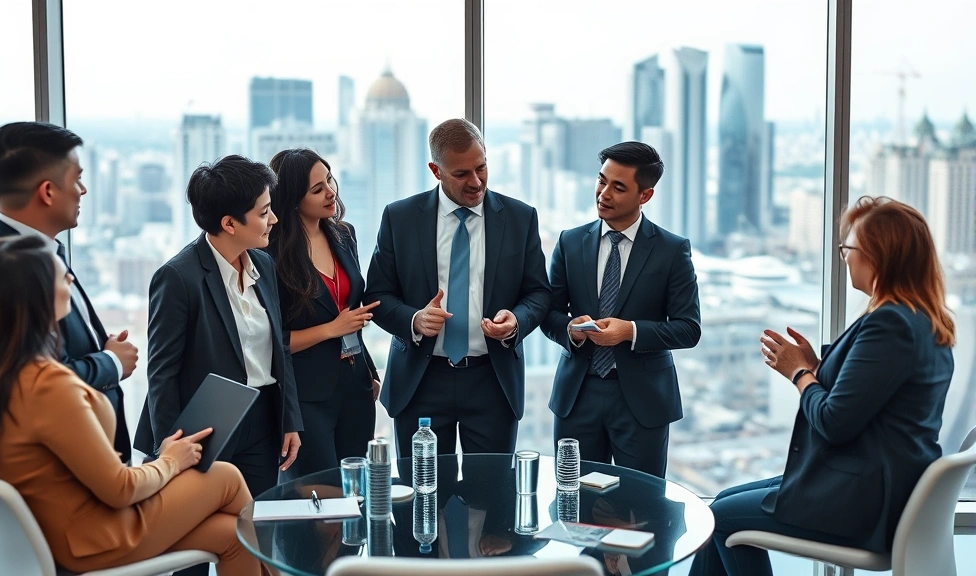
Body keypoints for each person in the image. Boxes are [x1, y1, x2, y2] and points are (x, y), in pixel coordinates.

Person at [0, 236, 269, 575]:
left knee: (231, 535)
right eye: (62, 276)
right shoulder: (45, 386)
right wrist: (169, 461)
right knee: (226, 476)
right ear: (36, 298)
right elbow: (121, 489)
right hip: (94, 536)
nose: (71, 280)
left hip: (50, 532)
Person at [690, 196, 956, 576]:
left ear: (878, 257)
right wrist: (817, 366)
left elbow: (835, 421)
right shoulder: (923, 321)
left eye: (849, 248)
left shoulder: (890, 325)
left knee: (720, 515)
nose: (845, 257)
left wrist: (800, 374)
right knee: (723, 501)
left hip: (861, 503)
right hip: (879, 486)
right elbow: (873, 399)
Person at [363, 118, 551, 458]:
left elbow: (539, 293)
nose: (476, 182)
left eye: (481, 168)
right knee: (424, 501)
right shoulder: (400, 218)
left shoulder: (521, 218)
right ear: (436, 170)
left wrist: (517, 322)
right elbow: (376, 295)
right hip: (421, 381)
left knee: (493, 500)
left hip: (493, 381)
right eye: (462, 174)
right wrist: (414, 320)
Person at [0, 121, 137, 464]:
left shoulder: (42, 252)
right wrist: (111, 362)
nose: (82, 190)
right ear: (48, 191)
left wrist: (97, 346)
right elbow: (29, 389)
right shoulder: (0, 276)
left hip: (94, 461)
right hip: (68, 473)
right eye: (76, 180)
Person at [133, 155, 303, 499]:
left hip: (263, 421)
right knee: (196, 541)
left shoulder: (263, 264)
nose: (273, 219)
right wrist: (171, 447)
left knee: (253, 532)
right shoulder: (179, 277)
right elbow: (162, 372)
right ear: (229, 223)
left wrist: (289, 420)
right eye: (263, 212)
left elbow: (278, 350)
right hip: (203, 428)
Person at [540, 142, 700, 478]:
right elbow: (548, 313)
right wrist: (570, 330)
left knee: (640, 511)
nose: (603, 193)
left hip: (642, 402)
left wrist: (630, 331)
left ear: (645, 195)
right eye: (601, 181)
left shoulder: (671, 250)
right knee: (575, 503)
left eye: (618, 187)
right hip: (577, 395)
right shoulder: (569, 242)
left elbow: (688, 328)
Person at [267, 148, 380, 477]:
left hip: (355, 384)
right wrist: (331, 329)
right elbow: (271, 342)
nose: (330, 191)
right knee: (321, 498)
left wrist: (367, 369)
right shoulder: (271, 253)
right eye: (317, 189)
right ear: (291, 199)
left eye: (329, 180)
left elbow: (351, 314)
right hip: (306, 396)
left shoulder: (344, 235)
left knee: (356, 491)